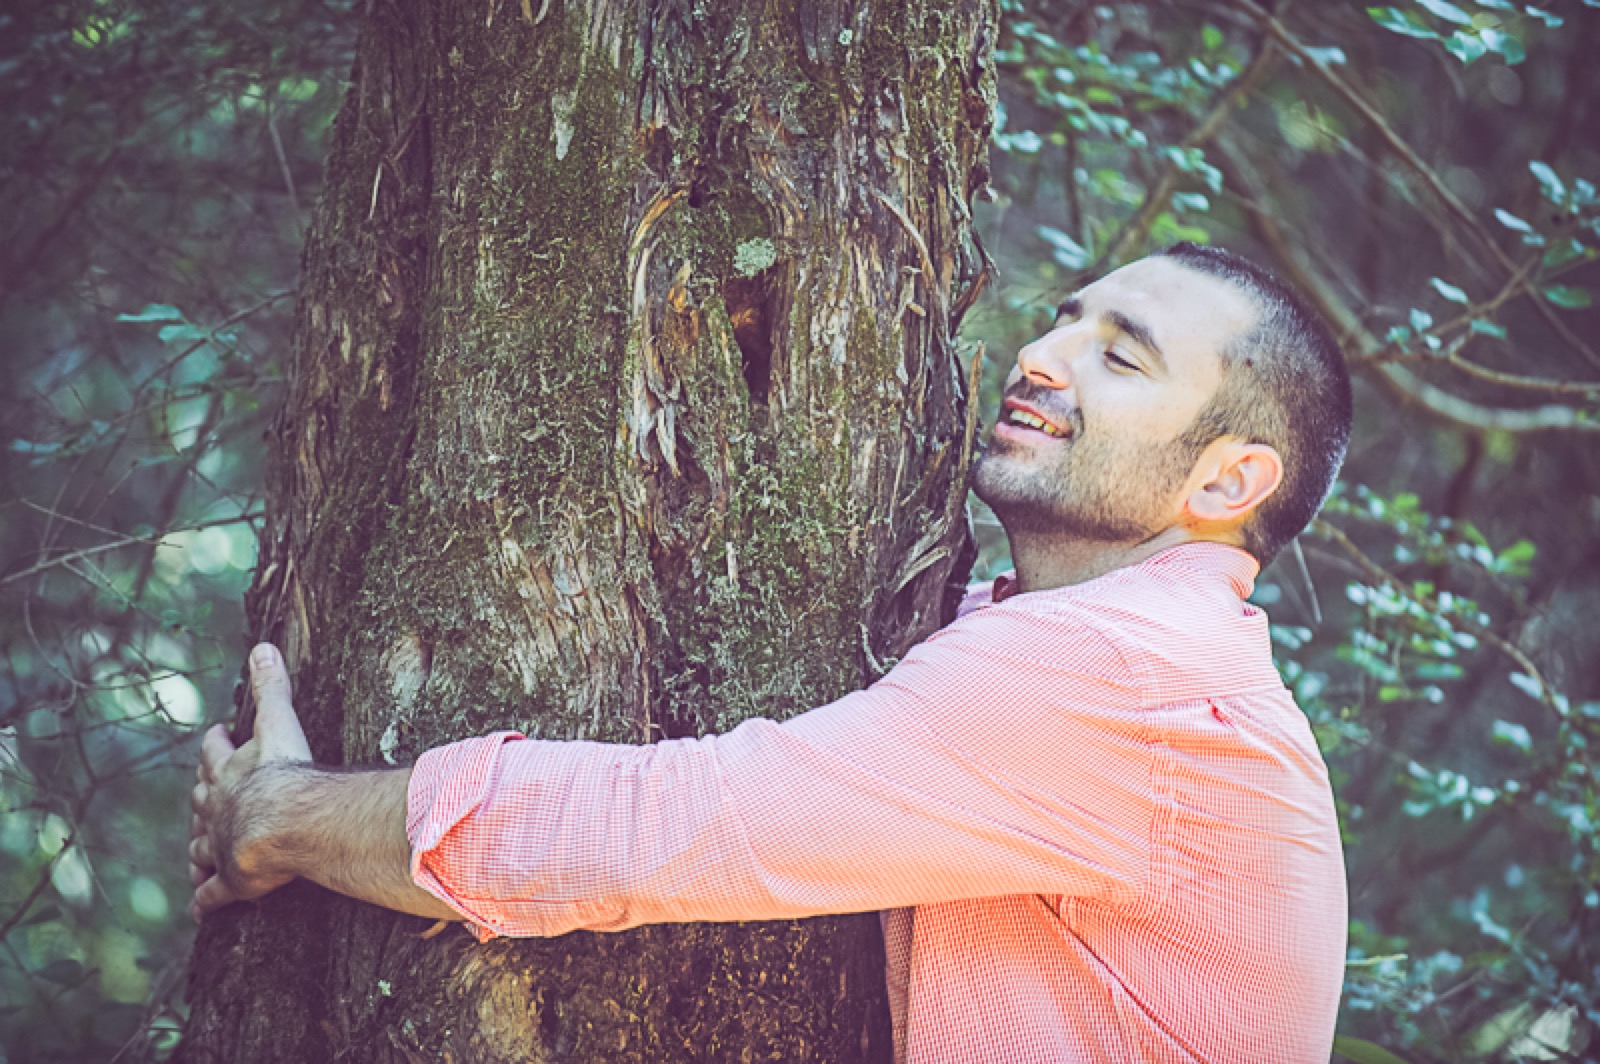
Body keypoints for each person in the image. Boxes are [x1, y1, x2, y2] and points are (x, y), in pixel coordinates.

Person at [188, 242, 1353, 1063]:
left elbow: (679, 827)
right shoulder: (1118, 651)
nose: (1043, 355)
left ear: (1226, 479)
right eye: (1064, 316)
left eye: (1122, 355)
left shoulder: (1120, 669)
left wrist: (284, 812)